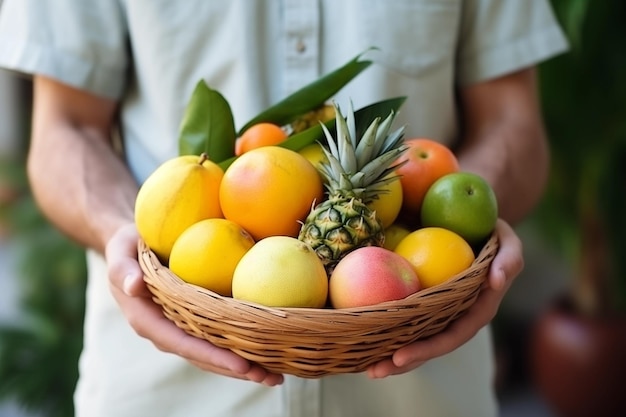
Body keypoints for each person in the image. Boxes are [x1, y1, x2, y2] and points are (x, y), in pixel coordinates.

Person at [0, 1, 568, 416]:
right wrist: (123, 233)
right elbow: (64, 128)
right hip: (165, 389)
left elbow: (511, 120)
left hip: (421, 388)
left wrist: (472, 233)